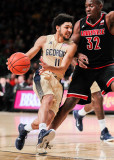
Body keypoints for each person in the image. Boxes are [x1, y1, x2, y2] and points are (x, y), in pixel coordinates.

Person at [40, 0, 114, 145]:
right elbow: (72, 45)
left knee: (99, 97)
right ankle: (49, 133)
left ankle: (99, 127)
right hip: (85, 68)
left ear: (100, 6)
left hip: (106, 65)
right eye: (86, 6)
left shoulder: (108, 19)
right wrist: (76, 55)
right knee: (70, 102)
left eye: (91, 5)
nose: (87, 9)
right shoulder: (80, 24)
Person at [12, 13, 77, 152]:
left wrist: (50, 67)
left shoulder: (71, 46)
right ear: (58, 28)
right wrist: (13, 61)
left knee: (47, 120)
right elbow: (27, 56)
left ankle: (24, 129)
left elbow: (63, 68)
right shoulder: (44, 40)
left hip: (58, 82)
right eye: (67, 27)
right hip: (43, 76)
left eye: (71, 28)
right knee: (47, 98)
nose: (70, 31)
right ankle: (42, 132)